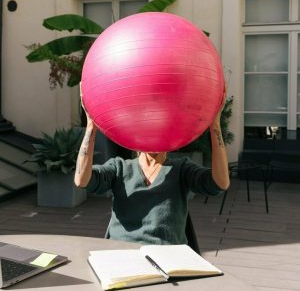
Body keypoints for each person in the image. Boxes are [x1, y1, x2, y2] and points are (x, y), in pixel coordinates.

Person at [74, 89, 230, 246]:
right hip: (122, 255)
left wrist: (214, 125)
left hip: (167, 260)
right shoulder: (119, 168)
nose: (153, 133)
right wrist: (91, 128)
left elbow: (220, 183)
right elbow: (82, 180)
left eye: (160, 126)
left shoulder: (181, 169)